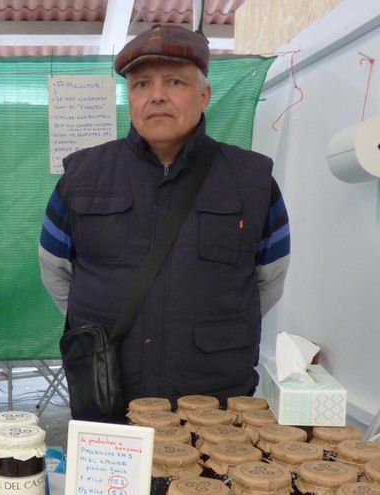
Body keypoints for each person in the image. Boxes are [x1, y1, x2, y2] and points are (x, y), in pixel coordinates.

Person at [39, 25, 290, 406]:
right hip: (108, 392)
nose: (156, 96)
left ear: (204, 95)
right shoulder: (81, 177)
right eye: (141, 85)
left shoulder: (252, 181)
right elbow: (56, 272)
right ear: (129, 97)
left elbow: (268, 281)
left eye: (174, 82)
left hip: (212, 399)